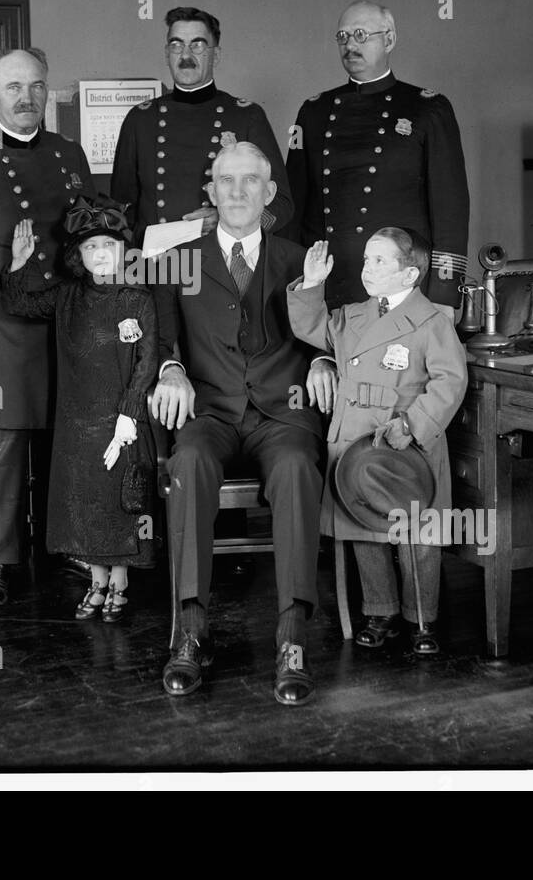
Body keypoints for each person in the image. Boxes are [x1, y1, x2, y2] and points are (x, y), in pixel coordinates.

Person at [151, 141, 335, 706]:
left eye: (248, 181)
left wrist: (327, 359)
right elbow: (160, 337)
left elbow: (334, 329)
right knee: (188, 461)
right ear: (209, 191)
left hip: (283, 412)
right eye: (224, 181)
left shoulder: (299, 259)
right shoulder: (177, 260)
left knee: (299, 467)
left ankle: (292, 634)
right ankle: (190, 628)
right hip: (209, 410)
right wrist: (172, 368)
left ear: (268, 192)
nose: (235, 192)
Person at [0, 47, 94, 606]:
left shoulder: (68, 152)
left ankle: (65, 543)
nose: (26, 98)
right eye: (12, 87)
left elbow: (89, 233)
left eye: (35, 87)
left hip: (67, 314)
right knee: (3, 441)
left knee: (68, 433)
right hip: (0, 319)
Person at [288, 227, 468, 655]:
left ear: (410, 275)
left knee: (417, 536)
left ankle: (421, 619)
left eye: (381, 261)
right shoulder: (352, 316)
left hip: (405, 438)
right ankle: (380, 611)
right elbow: (310, 326)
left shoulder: (433, 320)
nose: (368, 269)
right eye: (367, 260)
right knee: (363, 526)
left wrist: (415, 425)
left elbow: (450, 381)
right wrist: (312, 283)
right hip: (355, 438)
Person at [0, 196, 157, 621]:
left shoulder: (137, 299)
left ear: (122, 249)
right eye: (90, 248)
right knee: (85, 502)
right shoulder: (67, 297)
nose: (100, 254)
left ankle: (119, 582)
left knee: (116, 503)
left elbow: (147, 361)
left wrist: (129, 415)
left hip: (119, 421)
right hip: (76, 421)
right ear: (78, 255)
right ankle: (97, 581)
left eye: (107, 245)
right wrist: (19, 263)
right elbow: (19, 302)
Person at [286, 0, 470, 312]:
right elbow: (293, 205)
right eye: (342, 37)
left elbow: (451, 210)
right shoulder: (312, 112)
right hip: (331, 281)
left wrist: (444, 297)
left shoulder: (428, 108)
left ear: (389, 40)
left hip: (402, 287)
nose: (350, 45)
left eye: (361, 35)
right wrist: (295, 282)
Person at [112, 6, 294, 246]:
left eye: (197, 45)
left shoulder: (246, 116)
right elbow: (119, 209)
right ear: (167, 53)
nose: (186, 55)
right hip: (158, 268)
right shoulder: (140, 119)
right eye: (176, 45)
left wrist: (230, 220)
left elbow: (281, 203)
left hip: (222, 265)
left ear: (216, 55)